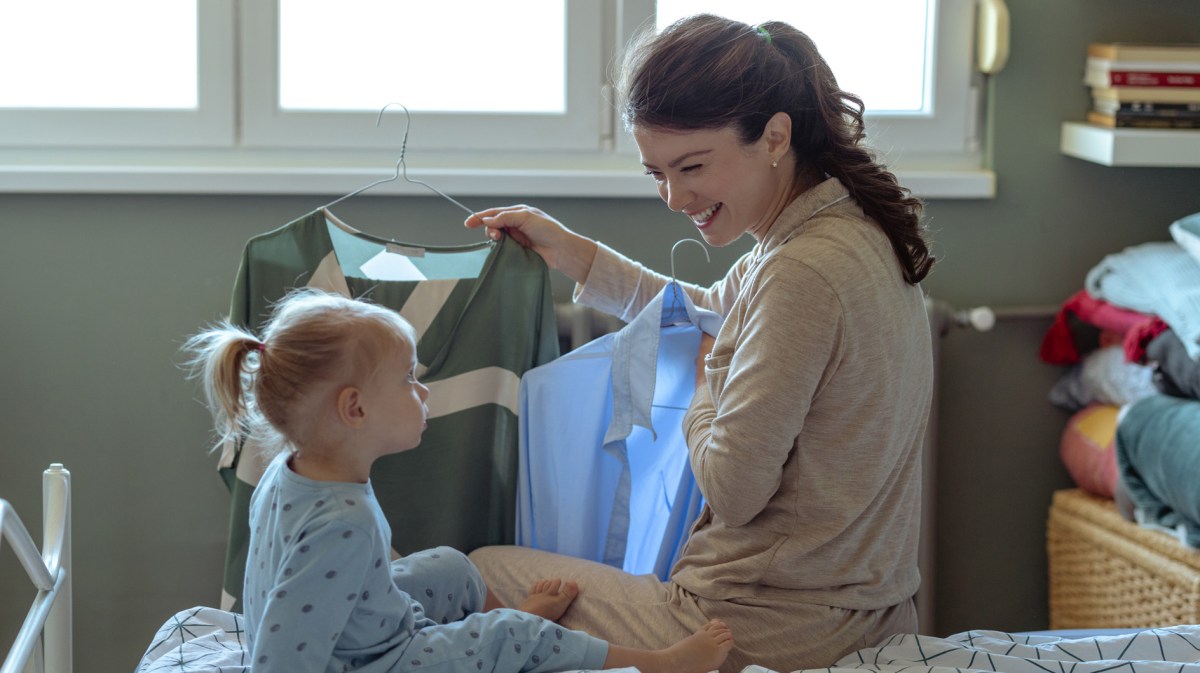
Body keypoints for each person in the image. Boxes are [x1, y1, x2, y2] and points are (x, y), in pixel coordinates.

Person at [463, 13, 935, 673]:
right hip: (860, 612)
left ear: (774, 136)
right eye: (656, 172)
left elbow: (735, 488)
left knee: (473, 575)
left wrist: (707, 392)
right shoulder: (839, 229)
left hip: (761, 624)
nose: (673, 195)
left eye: (692, 167)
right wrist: (570, 251)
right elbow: (709, 313)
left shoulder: (800, 271)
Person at [182, 288, 733, 673]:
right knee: (507, 638)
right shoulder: (339, 524)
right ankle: (659, 665)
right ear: (354, 409)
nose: (422, 393)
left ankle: (515, 618)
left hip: (359, 632)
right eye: (407, 380)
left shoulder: (296, 474)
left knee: (450, 563)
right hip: (371, 662)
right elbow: (283, 655)